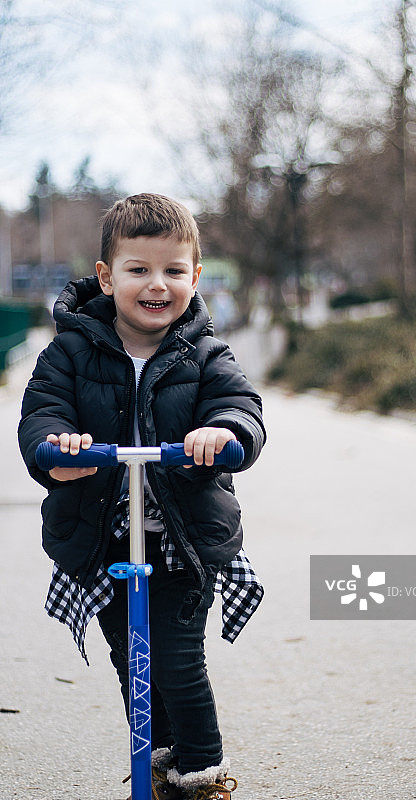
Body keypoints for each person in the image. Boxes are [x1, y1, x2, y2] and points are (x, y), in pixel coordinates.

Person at [18, 193, 266, 800]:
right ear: (107, 276)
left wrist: (222, 433)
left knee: (178, 663)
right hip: (101, 538)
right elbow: (41, 415)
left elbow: (242, 409)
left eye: (174, 271)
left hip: (182, 539)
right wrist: (57, 448)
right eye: (139, 270)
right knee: (134, 663)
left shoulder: (206, 353)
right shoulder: (69, 352)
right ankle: (158, 761)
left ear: (195, 275)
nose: (158, 285)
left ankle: (202, 774)